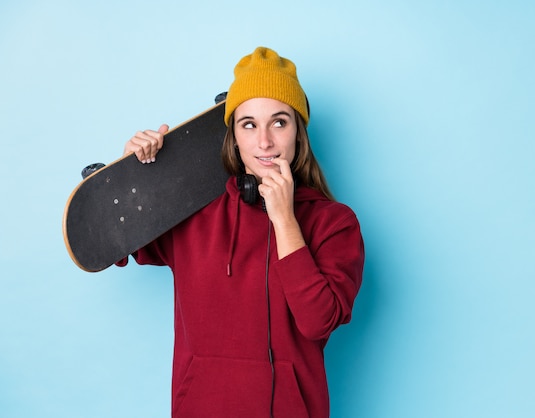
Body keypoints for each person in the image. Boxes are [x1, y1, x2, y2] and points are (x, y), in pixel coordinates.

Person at [118, 46, 364, 418]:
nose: (264, 141)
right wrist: (133, 175)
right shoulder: (193, 215)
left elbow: (318, 323)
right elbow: (113, 241)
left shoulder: (334, 223)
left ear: (299, 132)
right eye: (249, 124)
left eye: (279, 122)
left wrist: (285, 220)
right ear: (233, 136)